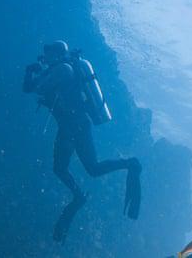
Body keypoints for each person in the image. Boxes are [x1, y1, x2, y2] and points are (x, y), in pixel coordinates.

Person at [24, 40, 141, 241]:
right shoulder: (60, 69)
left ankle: (128, 165)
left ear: (58, 54)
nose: (45, 57)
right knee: (73, 169)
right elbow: (32, 88)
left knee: (82, 169)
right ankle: (80, 195)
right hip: (71, 127)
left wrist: (33, 72)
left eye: (49, 53)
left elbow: (35, 88)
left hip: (75, 127)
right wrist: (33, 71)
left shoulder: (63, 69)